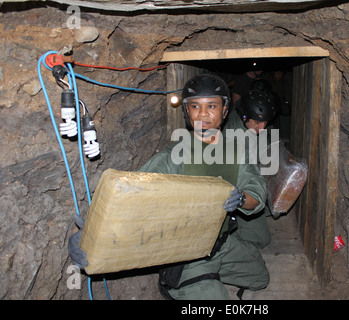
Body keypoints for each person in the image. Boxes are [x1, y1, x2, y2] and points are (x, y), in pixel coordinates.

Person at [68, 73, 270, 300]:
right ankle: (183, 283)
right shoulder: (174, 157)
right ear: (187, 111)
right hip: (189, 254)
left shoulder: (236, 152)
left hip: (222, 243)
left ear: (224, 110)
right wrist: (85, 237)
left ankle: (208, 277)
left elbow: (257, 190)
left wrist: (242, 198)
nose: (203, 114)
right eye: (195, 106)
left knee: (261, 279)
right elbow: (125, 198)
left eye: (211, 106)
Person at [222, 86, 279, 250]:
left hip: (249, 178)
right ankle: (225, 233)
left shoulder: (247, 121)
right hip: (235, 192)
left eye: (265, 122)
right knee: (261, 238)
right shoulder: (234, 139)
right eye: (258, 122)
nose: (262, 128)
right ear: (245, 116)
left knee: (270, 205)